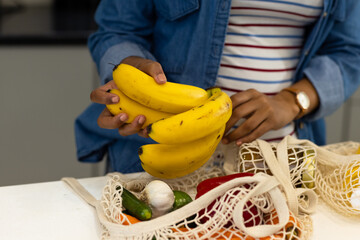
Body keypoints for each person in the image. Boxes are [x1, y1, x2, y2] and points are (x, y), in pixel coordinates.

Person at [75, 0, 360, 173]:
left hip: (283, 159)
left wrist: (294, 100)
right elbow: (117, 29)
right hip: (163, 154)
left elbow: (349, 51)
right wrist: (128, 68)